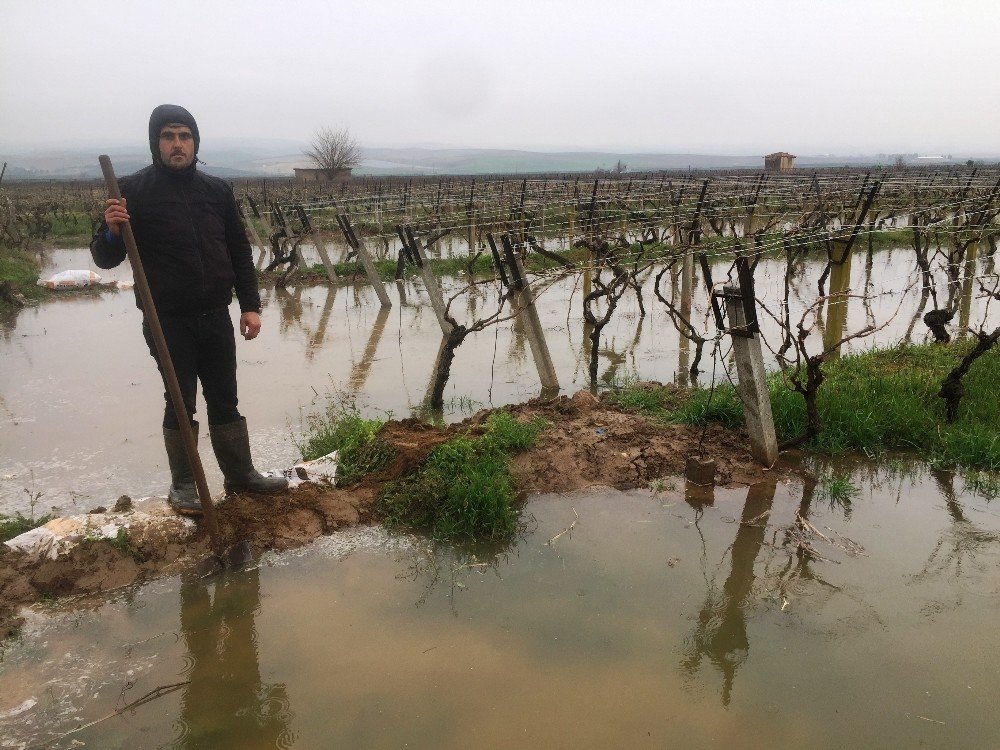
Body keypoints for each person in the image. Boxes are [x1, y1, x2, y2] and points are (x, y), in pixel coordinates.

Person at [91, 104, 286, 515]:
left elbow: (238, 250)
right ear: (155, 143)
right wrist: (111, 232)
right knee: (180, 399)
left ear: (195, 142)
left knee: (225, 398)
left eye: (184, 136)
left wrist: (250, 305)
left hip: (215, 314)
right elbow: (105, 259)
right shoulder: (131, 192)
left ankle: (240, 474)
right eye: (168, 136)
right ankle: (183, 485)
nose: (177, 144)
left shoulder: (216, 191)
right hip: (167, 321)